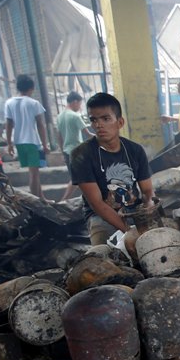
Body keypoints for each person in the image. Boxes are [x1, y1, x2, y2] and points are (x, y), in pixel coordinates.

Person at [70, 92, 155, 245]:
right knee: (107, 254)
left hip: (134, 212)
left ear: (120, 122)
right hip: (100, 217)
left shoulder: (135, 150)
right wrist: (128, 230)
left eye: (106, 119)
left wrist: (149, 204)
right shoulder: (81, 155)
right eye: (93, 120)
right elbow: (97, 203)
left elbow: (147, 190)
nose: (98, 125)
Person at [4, 74, 48, 199]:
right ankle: (36, 202)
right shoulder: (33, 103)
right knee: (34, 174)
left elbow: (9, 124)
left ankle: (42, 199)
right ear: (31, 88)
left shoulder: (9, 103)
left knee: (34, 172)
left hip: (19, 142)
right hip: (32, 141)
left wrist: (9, 143)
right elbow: (40, 125)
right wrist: (45, 144)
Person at [56, 92, 91, 201]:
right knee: (78, 178)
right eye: (80, 104)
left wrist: (62, 151)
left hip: (67, 151)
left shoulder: (60, 116)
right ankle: (63, 201)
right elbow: (88, 134)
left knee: (78, 178)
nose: (79, 107)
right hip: (76, 151)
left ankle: (87, 199)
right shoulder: (75, 116)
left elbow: (59, 136)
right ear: (75, 102)